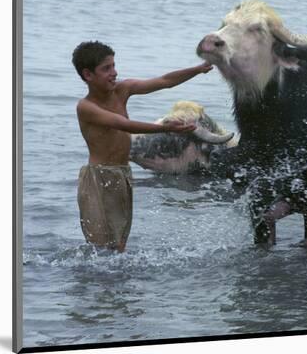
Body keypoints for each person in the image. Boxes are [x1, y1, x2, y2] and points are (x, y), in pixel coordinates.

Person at [72, 40, 213, 252]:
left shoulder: (123, 90)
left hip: (123, 174)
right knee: (100, 248)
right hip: (98, 178)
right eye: (106, 69)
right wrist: (167, 129)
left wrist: (198, 69)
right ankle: (97, 284)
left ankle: (119, 285)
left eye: (113, 65)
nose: (114, 72)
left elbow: (164, 81)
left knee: (119, 246)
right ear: (88, 75)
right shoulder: (86, 107)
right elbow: (123, 124)